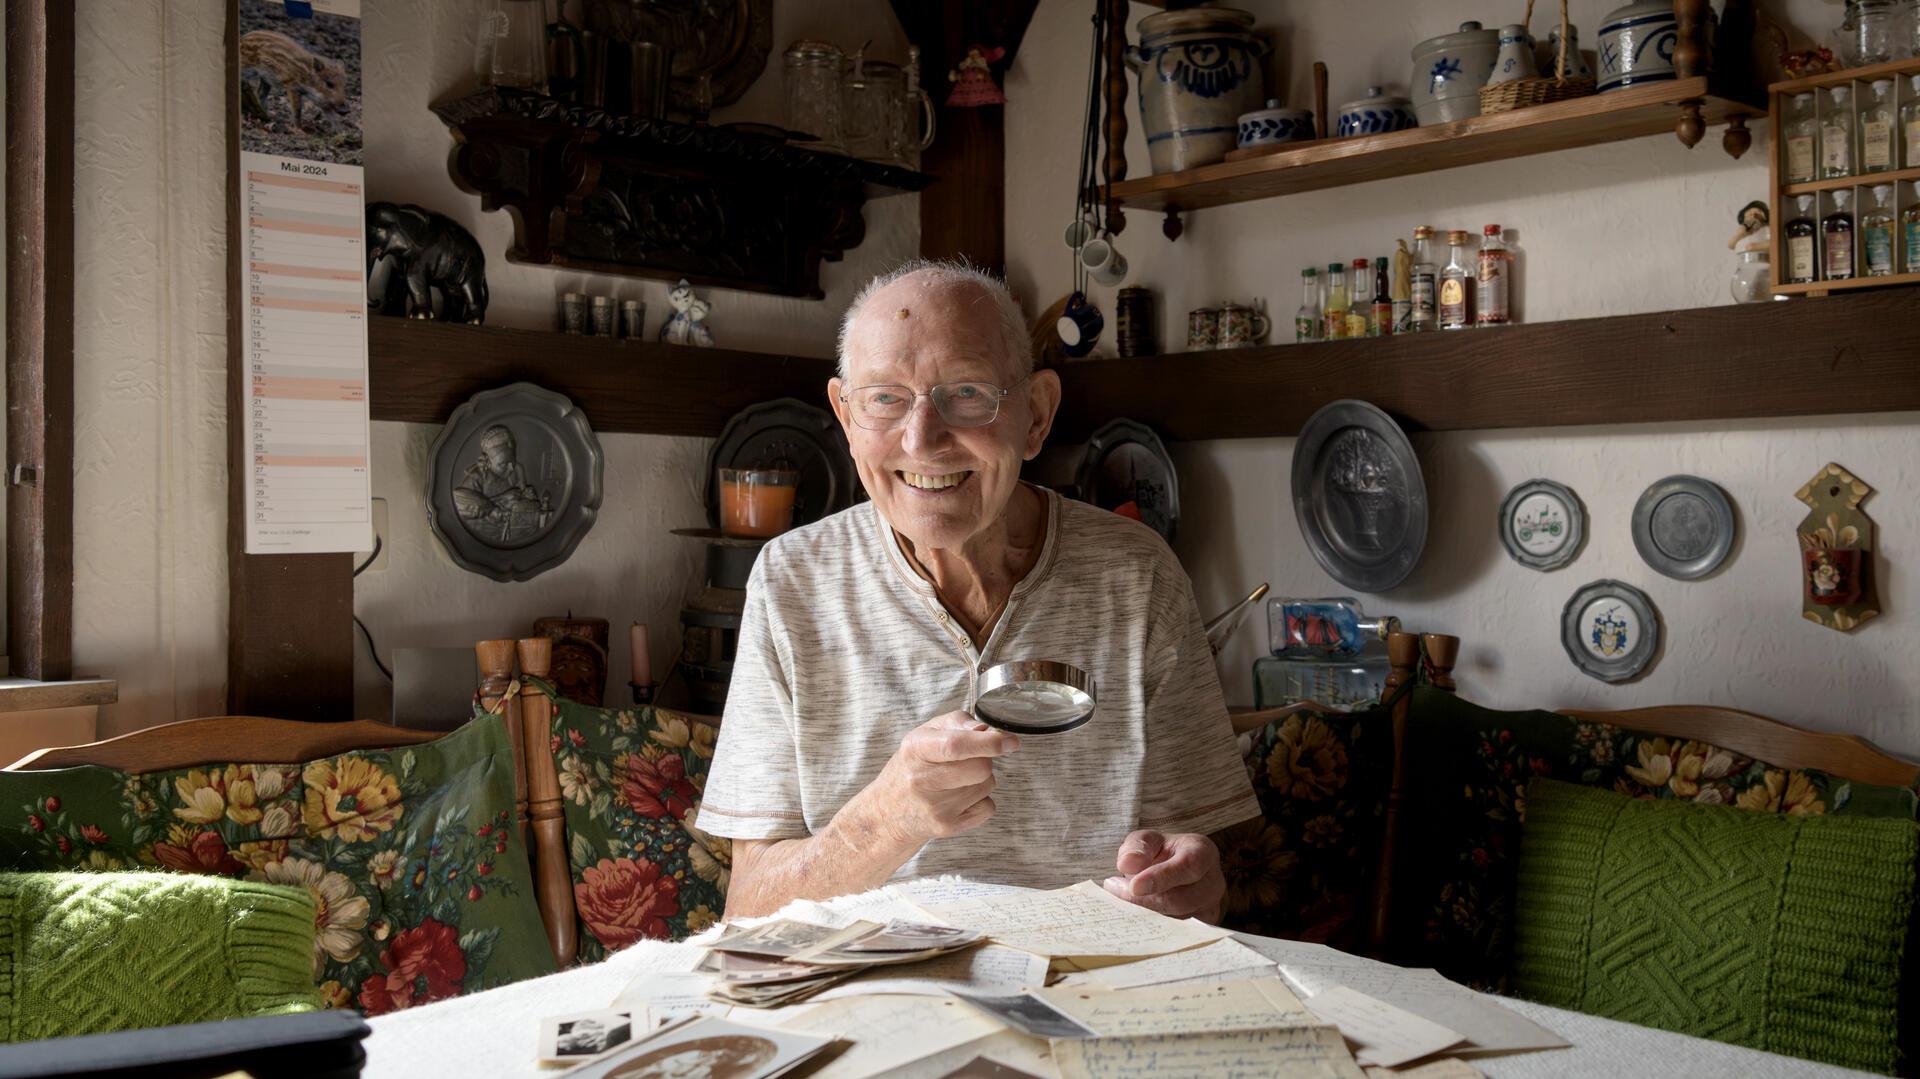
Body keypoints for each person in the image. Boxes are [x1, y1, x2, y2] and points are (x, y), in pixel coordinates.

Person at [700, 260, 1259, 922]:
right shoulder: (792, 580)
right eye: (884, 397)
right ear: (845, 417)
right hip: (872, 1002)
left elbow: (1194, 880)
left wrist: (1187, 882)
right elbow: (747, 910)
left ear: (1036, 414)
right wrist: (890, 818)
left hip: (1085, 990)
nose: (923, 439)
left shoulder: (1138, 576)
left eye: (965, 393)